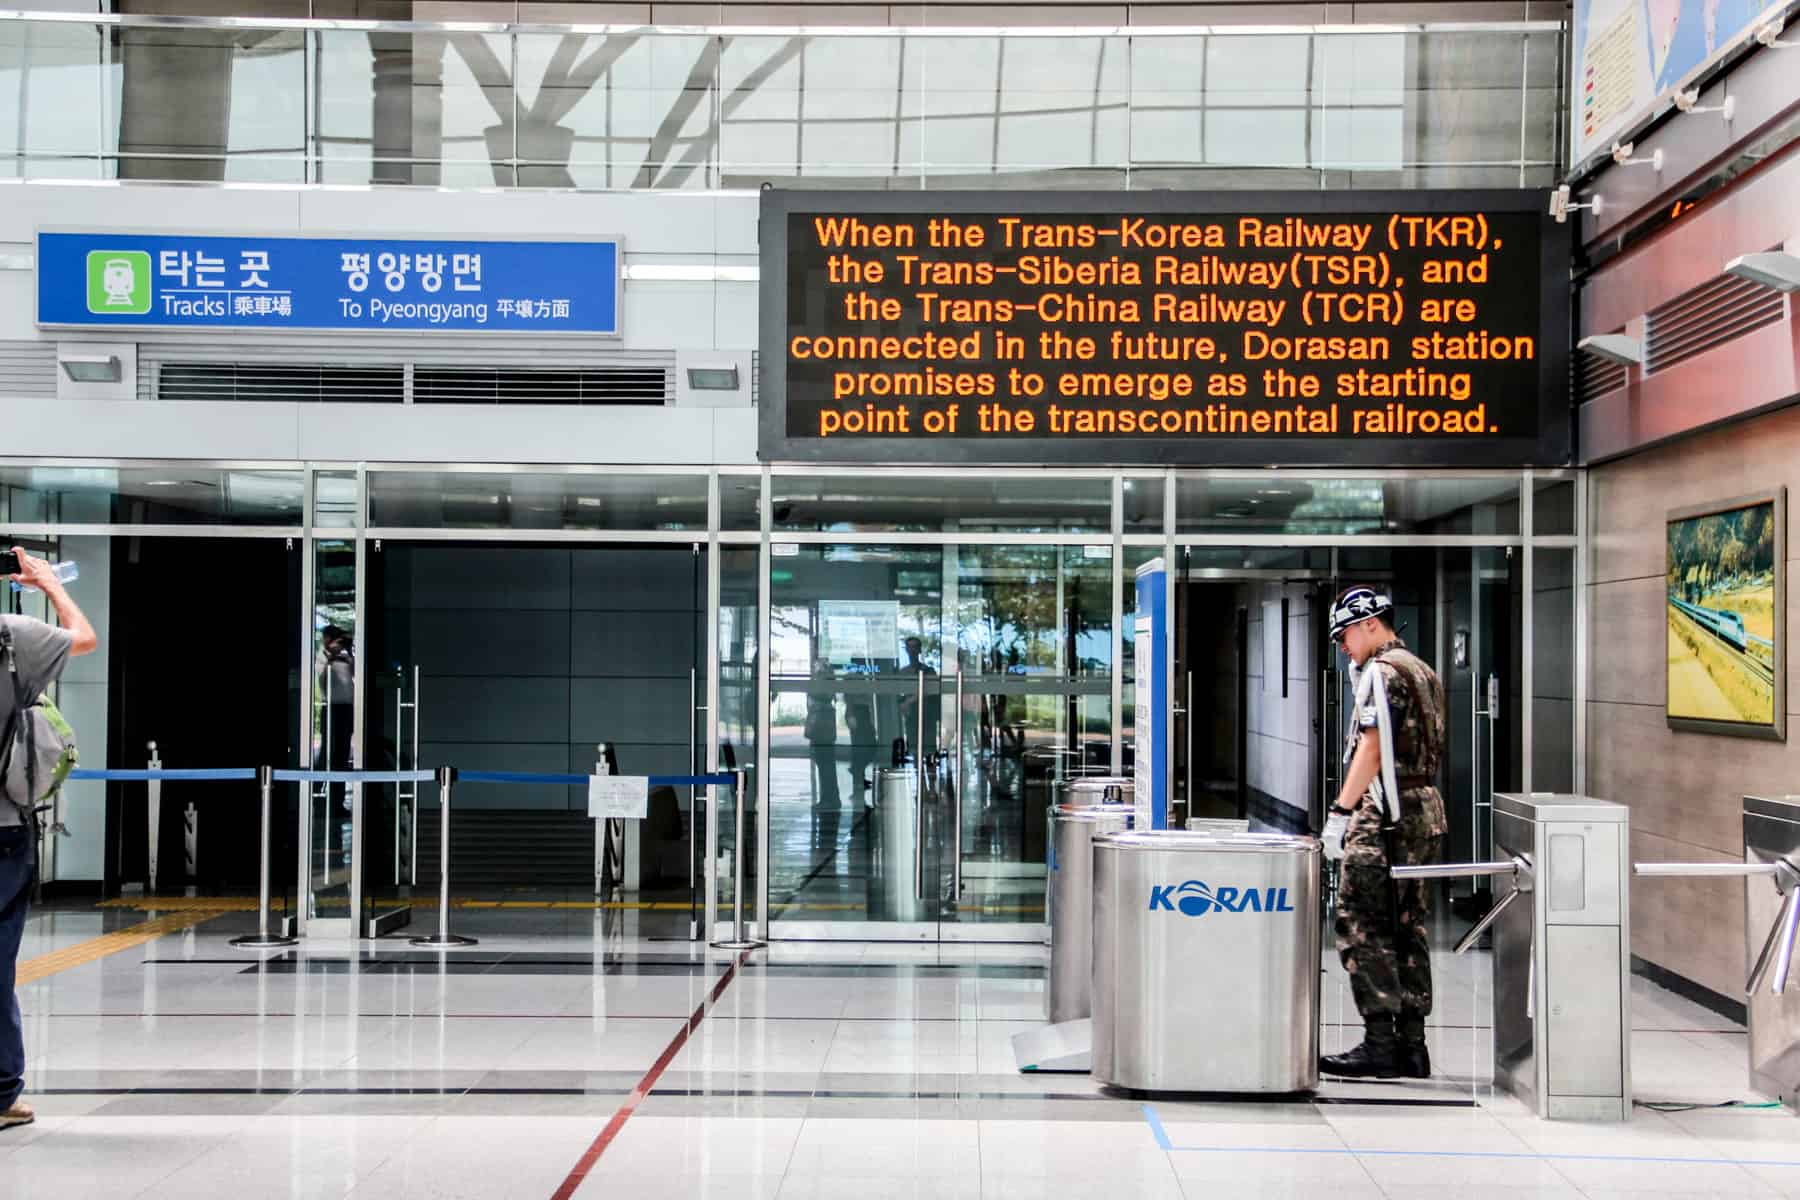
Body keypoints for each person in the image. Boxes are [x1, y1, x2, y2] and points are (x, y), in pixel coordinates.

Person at [1319, 586, 1446, 1080]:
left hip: (1386, 814)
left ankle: (1379, 1042)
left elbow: (1371, 750)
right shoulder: (1422, 670)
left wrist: (1340, 812)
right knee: (1407, 925)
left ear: (1371, 623)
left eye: (1345, 634)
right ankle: (1413, 1046)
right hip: (1425, 809)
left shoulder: (1381, 672)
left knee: (1361, 923)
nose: (1342, 646)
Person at [1, 547, 98, 1131]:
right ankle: (3, 1094)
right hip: (4, 829)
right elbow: (83, 638)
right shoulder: (12, 638)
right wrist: (47, 585)